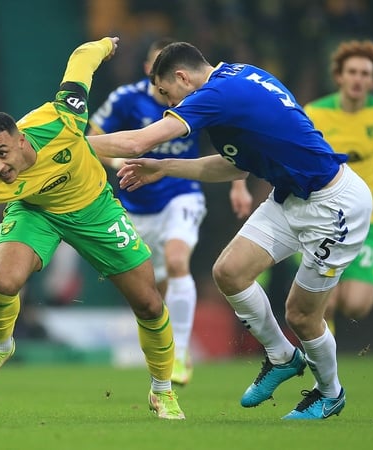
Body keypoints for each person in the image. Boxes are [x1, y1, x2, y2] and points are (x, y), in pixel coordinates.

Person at [0, 37, 186, 420]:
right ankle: (0, 345)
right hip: (36, 212)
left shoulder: (62, 119)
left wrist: (105, 44)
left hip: (94, 207)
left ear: (20, 140)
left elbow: (81, 58)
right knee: (4, 281)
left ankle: (162, 391)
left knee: (148, 302)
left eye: (2, 153)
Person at [88, 41, 373, 420]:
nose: (166, 102)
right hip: (291, 197)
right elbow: (236, 167)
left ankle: (330, 392)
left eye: (165, 92)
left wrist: (68, 144)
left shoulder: (216, 94)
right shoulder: (239, 75)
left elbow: (138, 140)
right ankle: (281, 357)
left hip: (333, 206)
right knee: (229, 273)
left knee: (301, 316)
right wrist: (165, 166)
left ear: (181, 77)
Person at [88, 37, 253, 386]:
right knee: (153, 289)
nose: (154, 70)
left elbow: (236, 142)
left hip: (181, 192)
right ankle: (163, 351)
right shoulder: (125, 98)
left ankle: (180, 354)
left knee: (179, 262)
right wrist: (118, 161)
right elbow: (94, 134)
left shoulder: (199, 99)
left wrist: (239, 184)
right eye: (151, 63)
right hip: (136, 203)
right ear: (148, 68)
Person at [303, 40, 373, 333]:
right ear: (339, 76)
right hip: (323, 216)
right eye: (352, 72)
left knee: (357, 304)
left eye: (365, 73)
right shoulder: (314, 112)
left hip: (367, 218)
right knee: (325, 304)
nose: (358, 79)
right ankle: (325, 369)